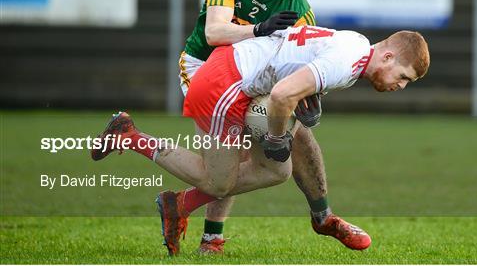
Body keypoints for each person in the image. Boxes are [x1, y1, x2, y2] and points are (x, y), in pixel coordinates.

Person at [92, 26, 430, 255]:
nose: (400, 86)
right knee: (219, 183)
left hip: (245, 84)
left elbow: (291, 69)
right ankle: (129, 136)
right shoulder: (348, 61)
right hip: (224, 84)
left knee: (277, 171)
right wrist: (277, 135)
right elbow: (283, 93)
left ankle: (179, 205)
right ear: (387, 57)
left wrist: (300, 109)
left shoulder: (355, 45)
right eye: (403, 77)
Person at [180, 0, 359, 254]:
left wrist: (310, 100)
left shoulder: (299, 8)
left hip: (252, 78)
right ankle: (205, 232)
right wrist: (260, 29)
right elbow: (214, 33)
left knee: (299, 131)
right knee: (231, 159)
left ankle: (323, 216)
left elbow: (304, 65)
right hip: (203, 70)